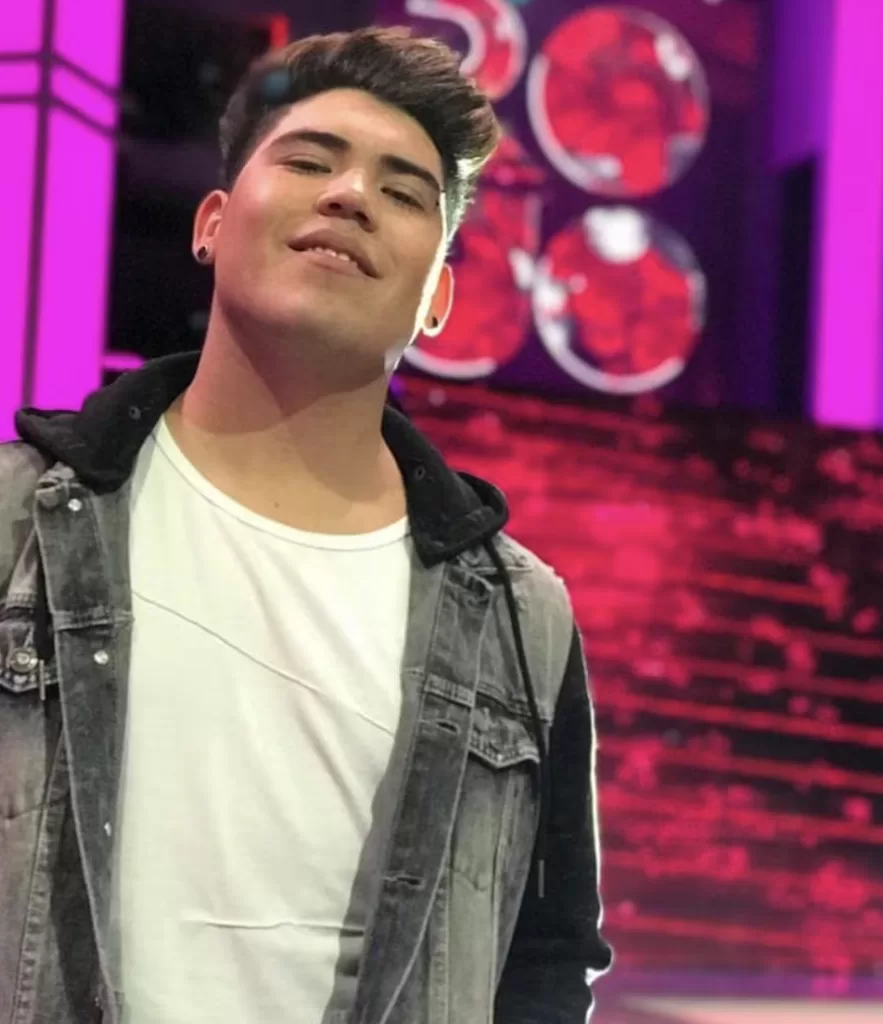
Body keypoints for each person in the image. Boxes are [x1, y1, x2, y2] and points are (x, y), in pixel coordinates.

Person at [0, 26, 612, 1024]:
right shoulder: (16, 525)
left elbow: (545, 959)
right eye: (308, 161)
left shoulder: (520, 616)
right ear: (210, 223)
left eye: (403, 193)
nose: (351, 195)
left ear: (437, 299)